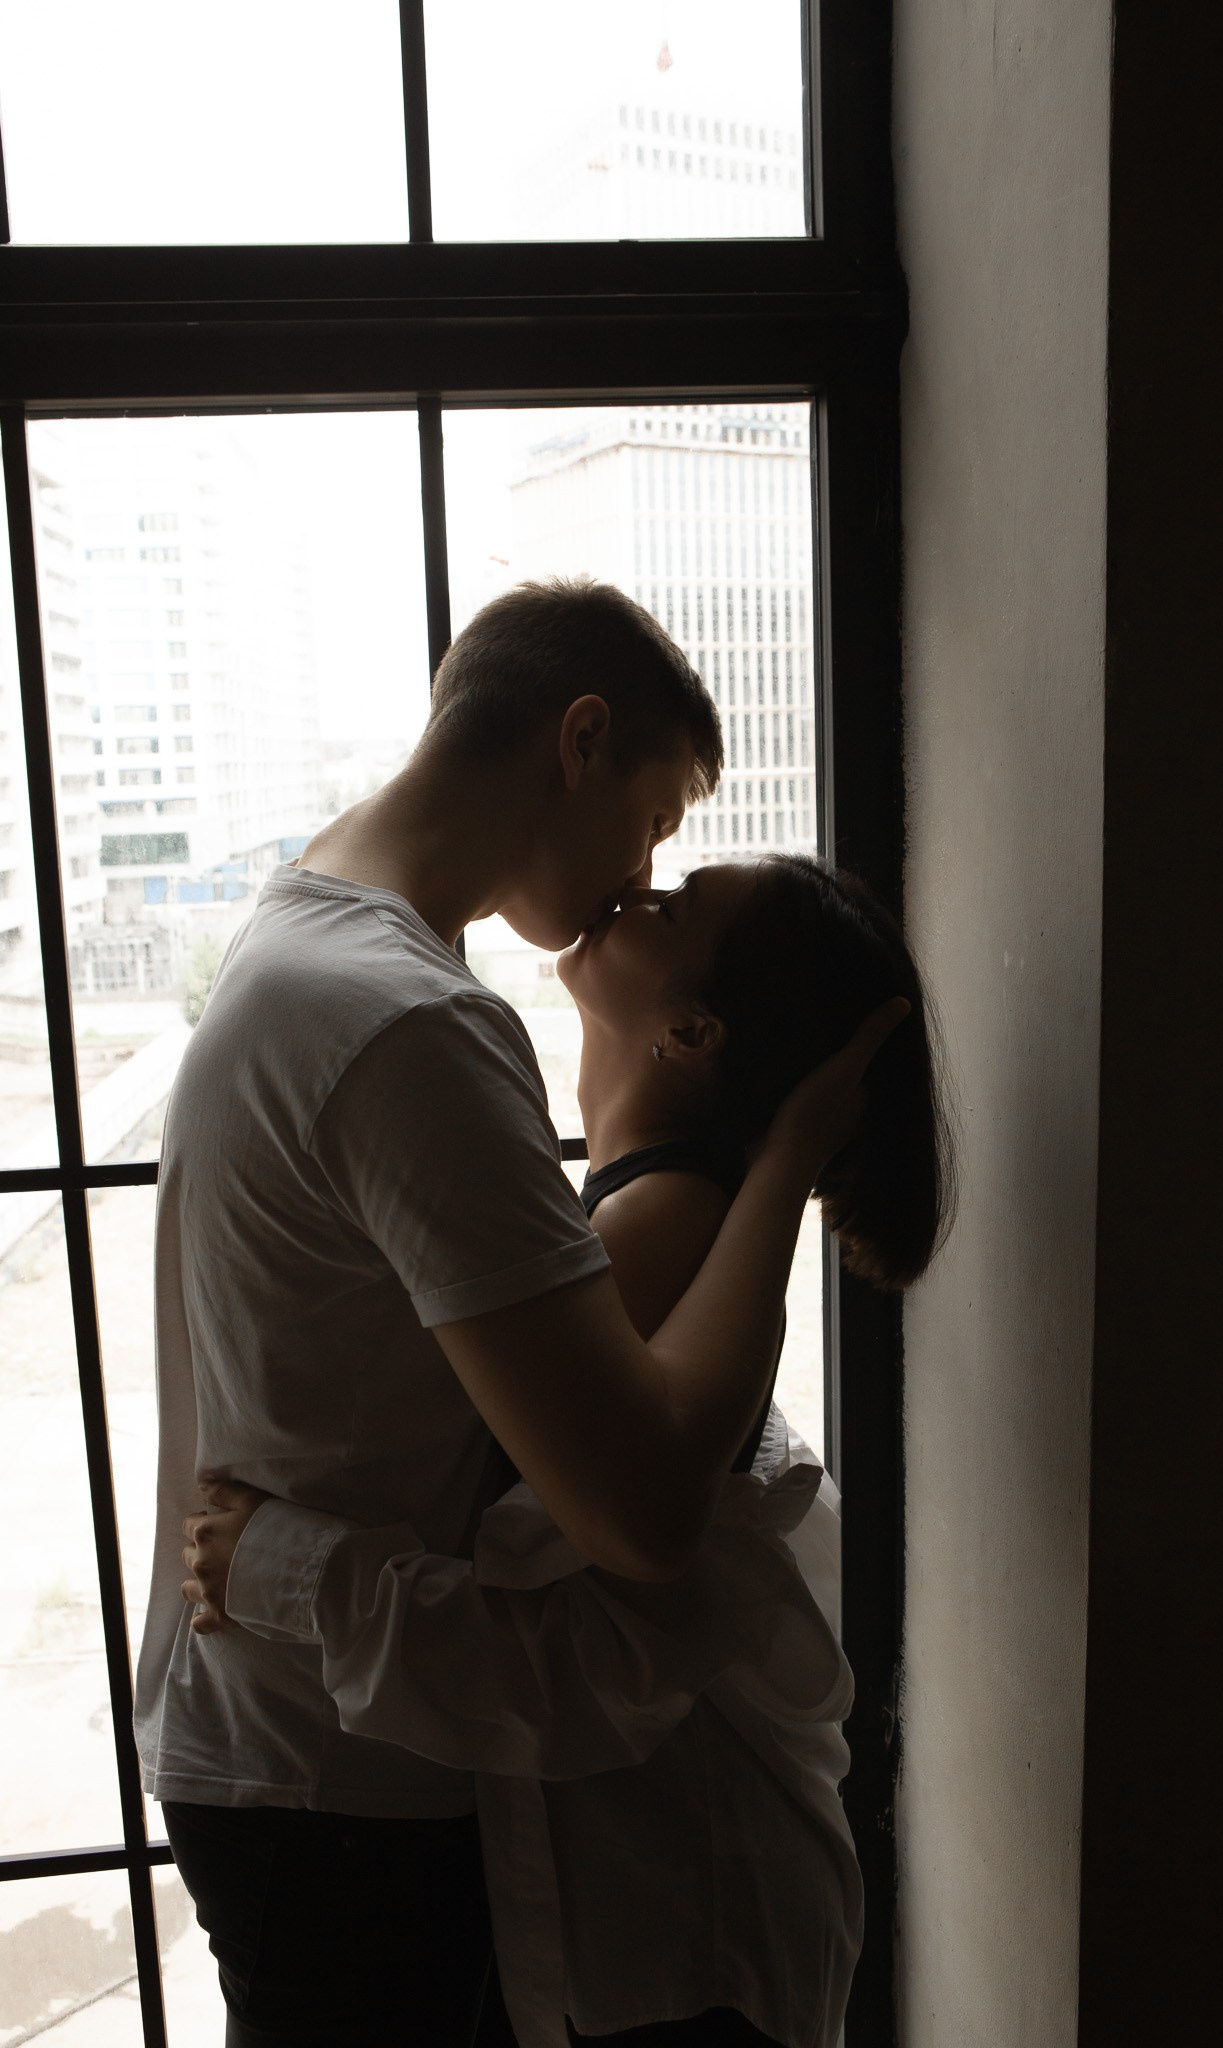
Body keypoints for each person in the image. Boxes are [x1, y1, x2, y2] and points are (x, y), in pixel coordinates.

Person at [138, 577, 906, 2048]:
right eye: (655, 820)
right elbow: (641, 1510)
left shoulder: (307, 930)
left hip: (307, 1725)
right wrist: (784, 1165)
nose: (640, 873)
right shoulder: (411, 1020)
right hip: (335, 1763)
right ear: (580, 739)